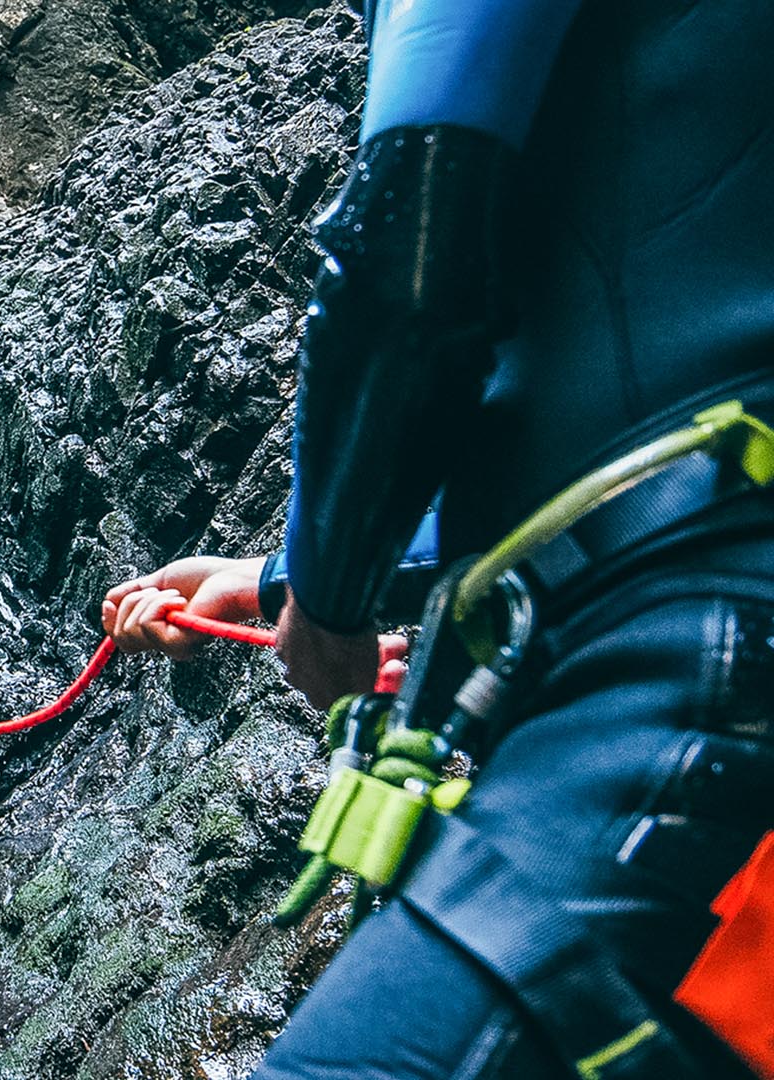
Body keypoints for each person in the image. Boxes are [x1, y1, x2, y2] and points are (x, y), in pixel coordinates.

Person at [104, 2, 774, 1077]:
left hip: (696, 671)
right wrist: (277, 577)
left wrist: (329, 604)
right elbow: (634, 393)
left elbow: (409, 255)